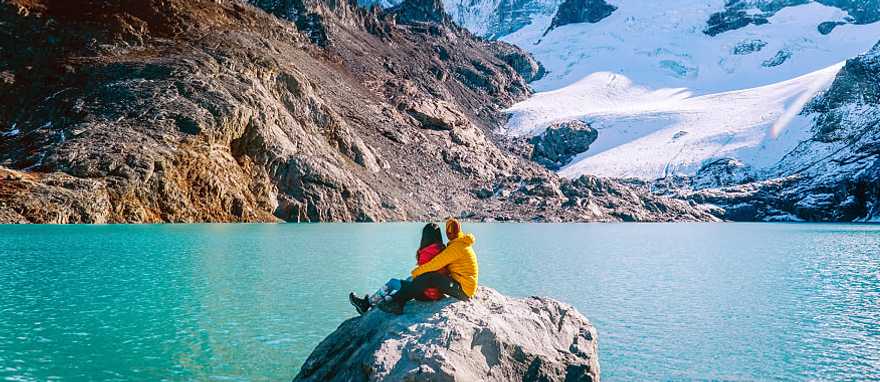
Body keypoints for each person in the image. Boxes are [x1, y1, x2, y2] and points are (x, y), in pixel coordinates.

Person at [377, 218, 479, 315]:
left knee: (430, 277)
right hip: (463, 286)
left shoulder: (456, 248)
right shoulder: (460, 244)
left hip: (463, 291)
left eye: (451, 231)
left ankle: (396, 301)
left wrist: (415, 272)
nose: (450, 234)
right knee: (429, 278)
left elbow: (433, 265)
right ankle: (398, 302)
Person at [348, 223, 448, 315]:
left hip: (426, 294)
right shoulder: (443, 249)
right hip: (439, 291)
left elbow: (421, 275)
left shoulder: (426, 252)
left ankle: (367, 304)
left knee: (392, 283)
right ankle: (375, 301)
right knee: (408, 280)